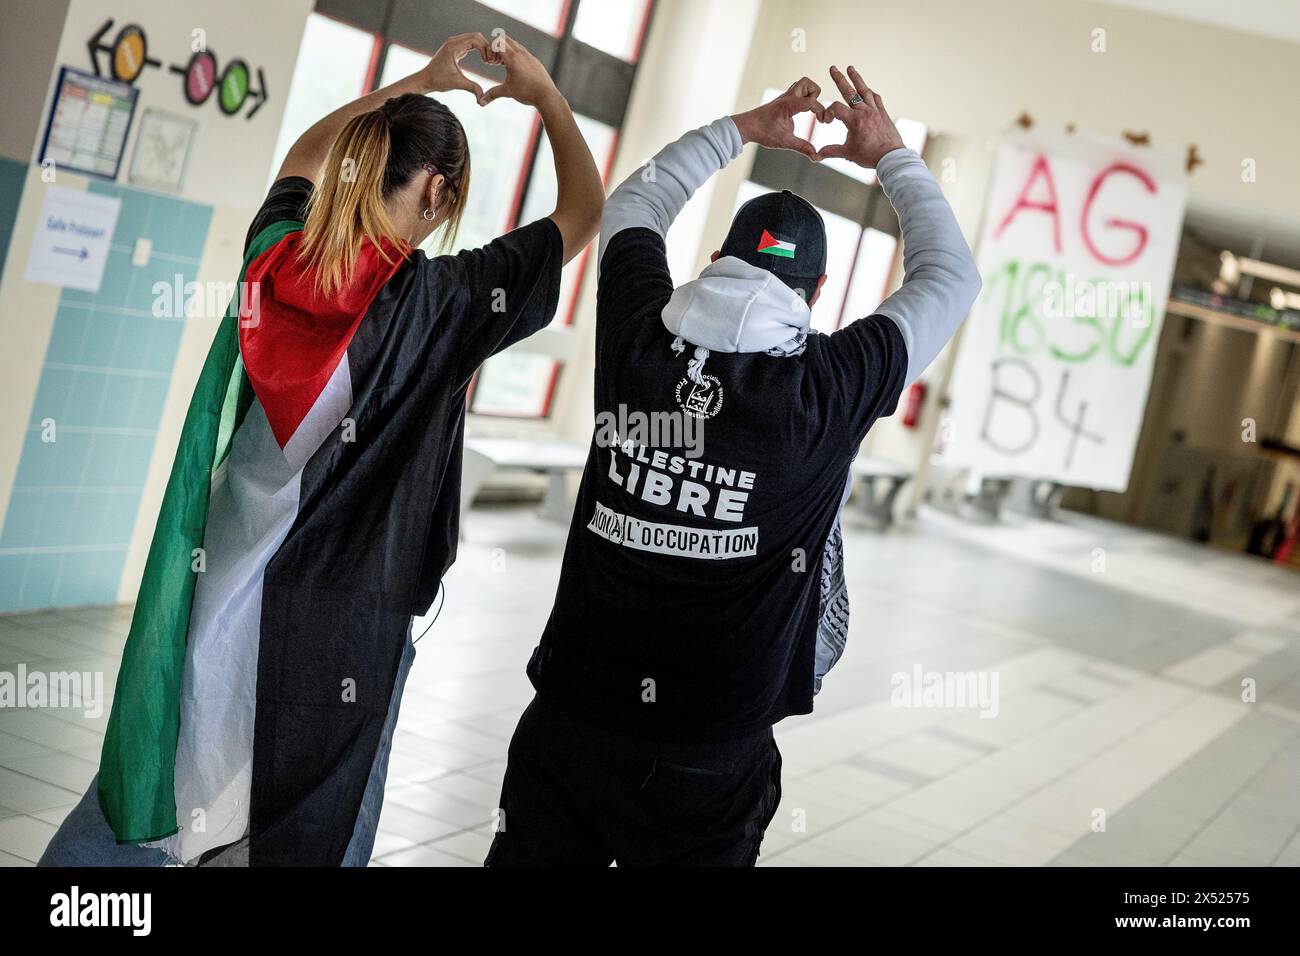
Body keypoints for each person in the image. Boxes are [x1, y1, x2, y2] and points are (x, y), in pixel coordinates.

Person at [40, 32, 603, 867]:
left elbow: (308, 148)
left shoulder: (276, 257)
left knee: (150, 799)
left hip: (215, 592)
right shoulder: (443, 305)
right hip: (341, 632)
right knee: (308, 826)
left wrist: (417, 79)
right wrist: (549, 97)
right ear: (441, 192)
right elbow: (582, 212)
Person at [486, 67, 982, 866]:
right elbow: (951, 277)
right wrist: (892, 155)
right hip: (708, 753)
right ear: (818, 292)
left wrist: (743, 128)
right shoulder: (830, 386)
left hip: (569, 721)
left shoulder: (637, 332)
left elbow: (636, 202)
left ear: (716, 257)